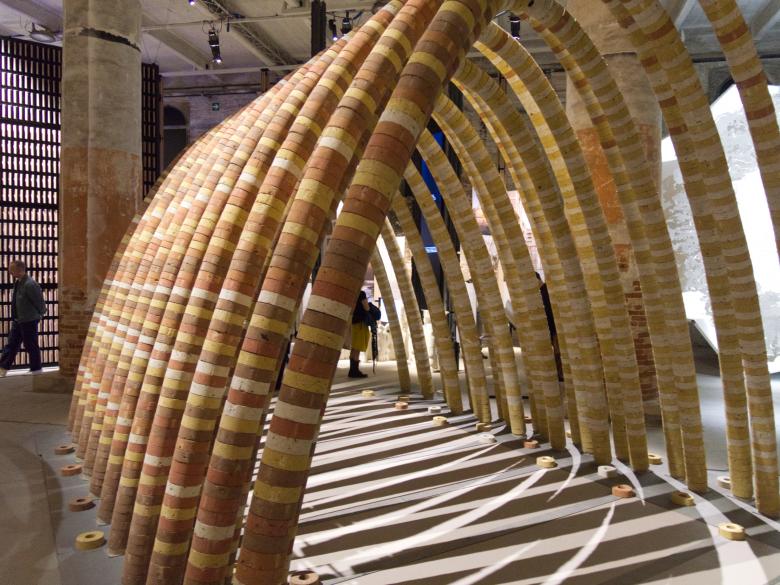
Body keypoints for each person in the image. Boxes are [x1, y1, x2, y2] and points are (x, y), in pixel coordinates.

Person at [0, 260, 46, 377]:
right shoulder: (19, 283)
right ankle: (3, 368)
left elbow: (39, 302)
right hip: (18, 320)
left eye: (11, 269)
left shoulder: (30, 284)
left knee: (30, 344)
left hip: (29, 320)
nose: (10, 272)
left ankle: (36, 369)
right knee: (12, 344)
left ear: (19, 269)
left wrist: (40, 314)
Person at [536, 272, 562, 381]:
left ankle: (560, 374)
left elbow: (550, 311)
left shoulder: (546, 290)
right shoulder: (543, 291)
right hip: (553, 326)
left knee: (558, 352)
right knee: (557, 351)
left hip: (555, 326)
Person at [349, 290, 380, 378]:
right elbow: (366, 308)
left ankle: (352, 370)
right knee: (357, 347)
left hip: (353, 322)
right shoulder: (361, 293)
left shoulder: (351, 292)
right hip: (360, 323)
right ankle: (354, 371)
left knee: (354, 347)